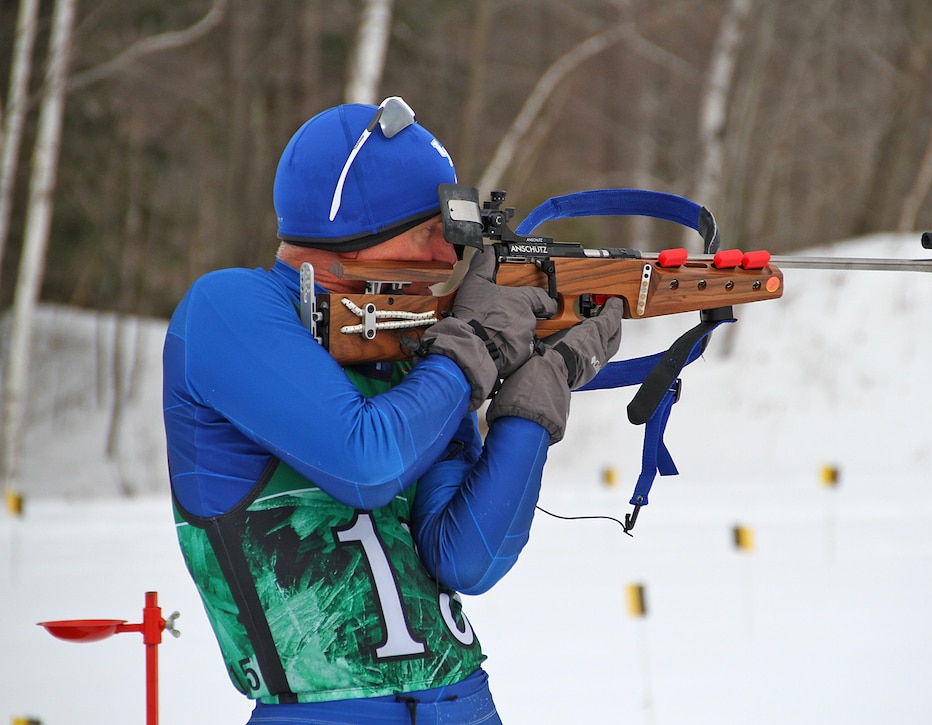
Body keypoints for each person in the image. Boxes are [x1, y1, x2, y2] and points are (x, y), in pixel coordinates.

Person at [163, 98, 623, 724]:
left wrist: (536, 393)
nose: (445, 259)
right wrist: (475, 347)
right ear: (362, 225)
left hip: (464, 703)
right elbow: (365, 461)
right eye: (430, 231)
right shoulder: (227, 308)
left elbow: (468, 557)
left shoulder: (416, 349)